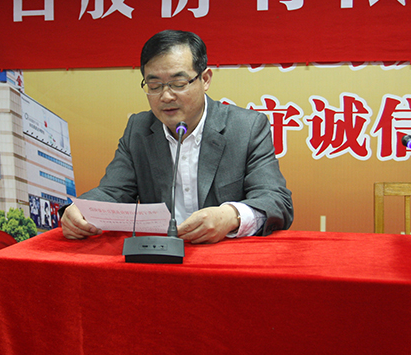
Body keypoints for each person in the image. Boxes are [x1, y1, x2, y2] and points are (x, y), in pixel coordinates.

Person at [60, 30, 293, 244]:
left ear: (205, 79)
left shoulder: (246, 127)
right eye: (154, 86)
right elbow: (113, 191)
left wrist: (231, 216)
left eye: (178, 83)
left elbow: (275, 200)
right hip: (161, 256)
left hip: (225, 257)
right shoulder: (139, 129)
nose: (166, 96)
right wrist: (82, 210)